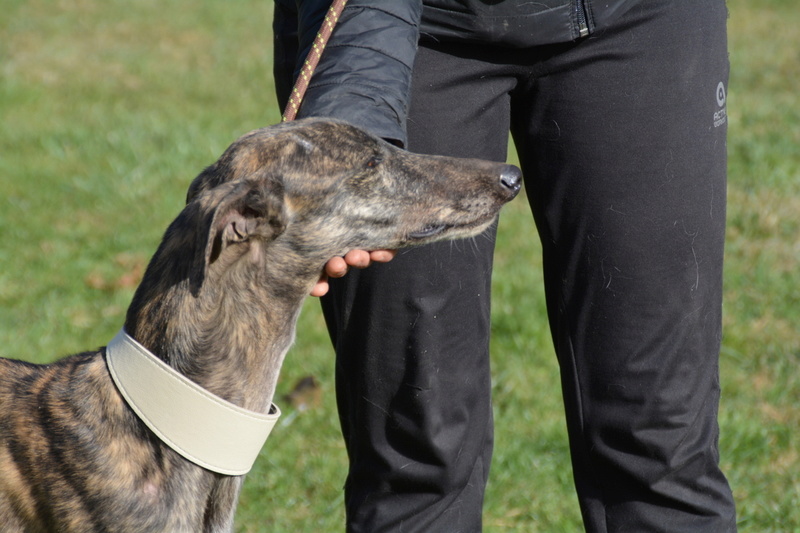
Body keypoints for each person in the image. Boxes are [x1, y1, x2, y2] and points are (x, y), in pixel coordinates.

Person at [273, 1, 737, 531]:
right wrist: (355, 121)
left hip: (641, 21)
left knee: (663, 446)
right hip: (406, 29)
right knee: (415, 453)